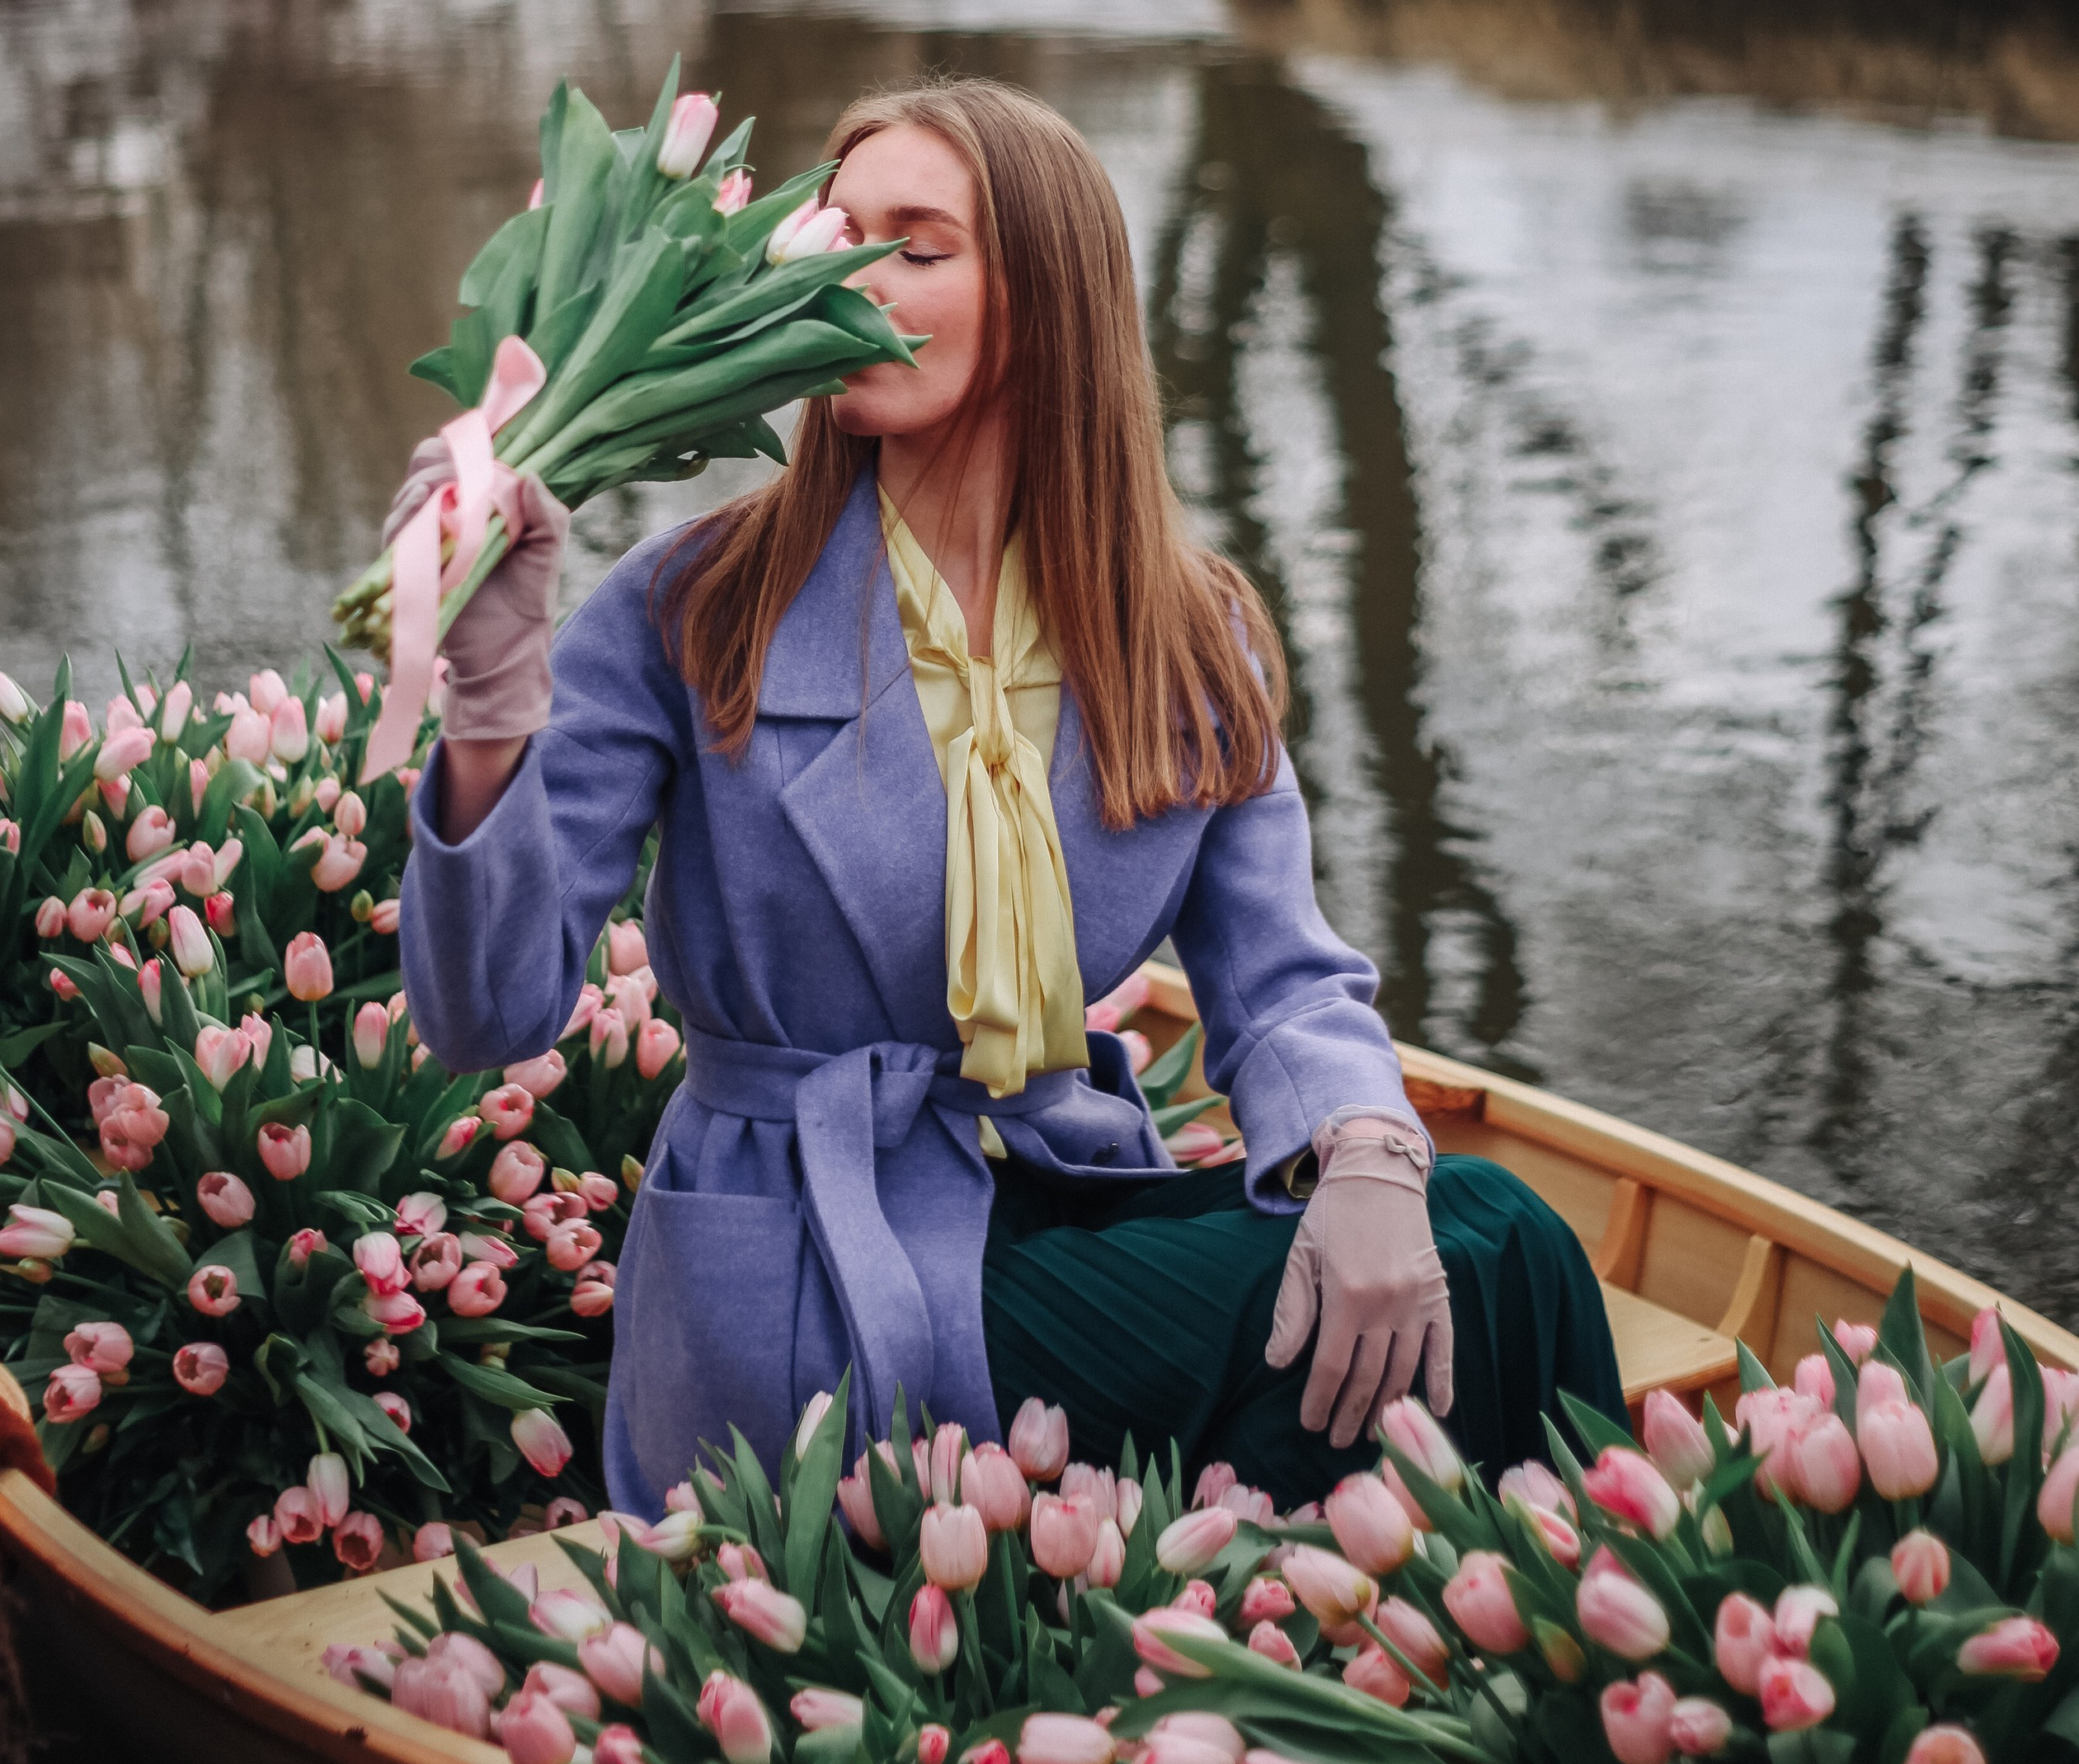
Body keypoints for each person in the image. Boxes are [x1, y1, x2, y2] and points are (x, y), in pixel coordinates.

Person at [397, 79, 1620, 1518]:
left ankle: (1455, 1620)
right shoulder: (697, 606)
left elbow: (1283, 981)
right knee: (1497, 1258)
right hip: (808, 1251)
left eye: (918, 246)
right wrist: (488, 695)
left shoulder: (1180, 629)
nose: (854, 277)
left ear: (1048, 300)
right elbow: (486, 1012)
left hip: (1055, 1188)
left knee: (1457, 1237)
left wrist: (1363, 1151)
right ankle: (1503, 1610)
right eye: (835, 240)